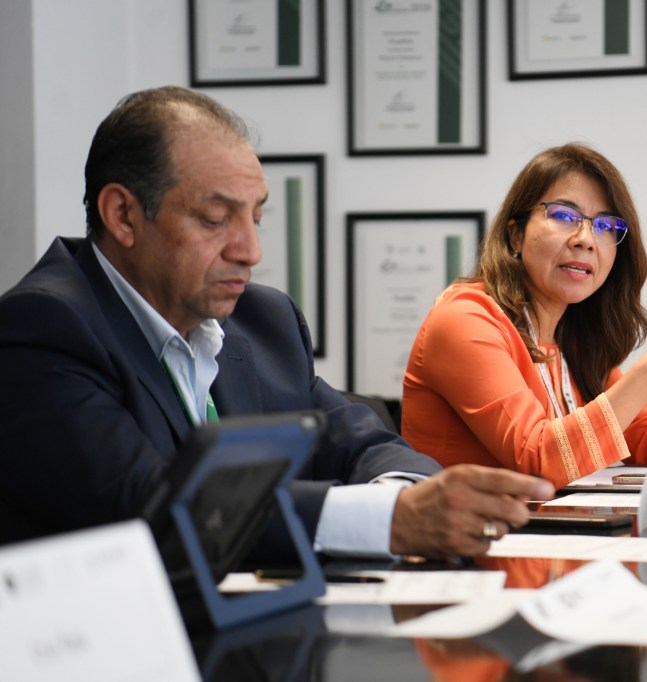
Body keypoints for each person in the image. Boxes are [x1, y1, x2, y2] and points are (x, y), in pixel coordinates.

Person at [0, 86, 553, 559]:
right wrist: (389, 521)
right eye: (215, 219)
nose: (250, 251)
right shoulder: (43, 328)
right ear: (123, 215)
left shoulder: (263, 320)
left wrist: (407, 493)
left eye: (256, 217)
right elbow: (153, 506)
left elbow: (358, 441)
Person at [402, 143, 647, 488]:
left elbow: (642, 441)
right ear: (515, 234)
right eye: (564, 216)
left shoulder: (576, 336)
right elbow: (538, 459)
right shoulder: (464, 319)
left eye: (605, 225)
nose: (586, 239)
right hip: (472, 522)